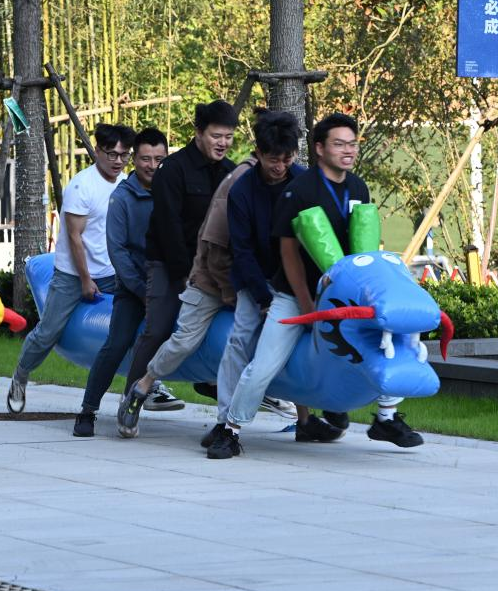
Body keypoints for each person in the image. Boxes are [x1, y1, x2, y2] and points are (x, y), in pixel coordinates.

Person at [209, 113, 422, 460]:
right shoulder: (298, 190)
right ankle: (230, 430)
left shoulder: (358, 187)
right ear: (320, 148)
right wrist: (307, 304)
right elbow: (288, 254)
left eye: (352, 144)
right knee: (262, 366)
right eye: (339, 144)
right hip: (294, 296)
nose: (348, 150)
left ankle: (386, 417)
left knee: (387, 340)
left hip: (343, 296)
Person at [200, 111, 343, 455]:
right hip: (256, 278)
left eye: (286, 159)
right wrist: (263, 297)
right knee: (240, 339)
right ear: (258, 154)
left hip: (297, 282)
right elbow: (242, 251)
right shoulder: (242, 191)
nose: (279, 167)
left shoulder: (305, 183)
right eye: (272, 159)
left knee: (303, 340)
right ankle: (225, 421)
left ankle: (307, 418)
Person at [114, 100, 237, 435]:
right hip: (169, 264)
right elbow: (168, 227)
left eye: (228, 136)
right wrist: (184, 276)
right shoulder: (173, 169)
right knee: (157, 328)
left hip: (214, 268)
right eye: (216, 136)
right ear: (198, 133)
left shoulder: (232, 173)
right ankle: (132, 398)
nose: (223, 143)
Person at [7, 122, 137, 413]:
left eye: (124, 155)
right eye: (112, 154)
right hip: (72, 274)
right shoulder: (81, 186)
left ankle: (148, 386)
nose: (118, 161)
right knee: (49, 332)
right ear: (97, 151)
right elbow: (75, 238)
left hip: (112, 272)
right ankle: (20, 375)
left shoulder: (126, 184)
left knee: (139, 321)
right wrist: (85, 280)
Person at [72, 128, 168, 436]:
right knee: (116, 344)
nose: (152, 166)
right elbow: (118, 252)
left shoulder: (171, 190)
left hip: (167, 285)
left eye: (159, 159)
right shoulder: (122, 198)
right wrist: (143, 292)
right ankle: (88, 410)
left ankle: (133, 402)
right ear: (134, 159)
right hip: (134, 288)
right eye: (145, 159)